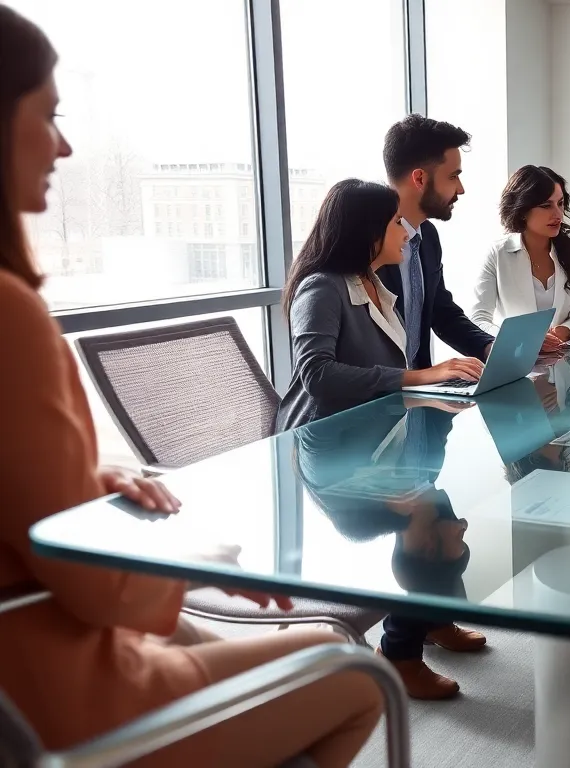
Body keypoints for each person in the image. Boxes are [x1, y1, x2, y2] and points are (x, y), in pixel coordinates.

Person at [0, 8, 381, 765]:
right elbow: (95, 588)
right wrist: (204, 562)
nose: (64, 146)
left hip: (36, 646)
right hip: (60, 693)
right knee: (356, 673)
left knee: (250, 643)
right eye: (49, 116)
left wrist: (87, 484)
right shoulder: (10, 315)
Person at [297, 397, 487, 700]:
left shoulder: (393, 498)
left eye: (459, 532)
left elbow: (429, 422)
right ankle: (398, 655)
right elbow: (311, 432)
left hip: (400, 458)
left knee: (441, 546)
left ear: (424, 544)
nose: (464, 524)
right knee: (442, 550)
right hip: (372, 451)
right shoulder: (360, 509)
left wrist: (449, 397)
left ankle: (432, 620)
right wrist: (411, 393)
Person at [274, 179, 474, 432]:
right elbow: (317, 374)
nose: (405, 233)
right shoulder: (322, 287)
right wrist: (421, 376)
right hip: (322, 439)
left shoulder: (374, 284)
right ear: (370, 230)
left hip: (374, 431)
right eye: (397, 222)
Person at [381, 114, 495, 375]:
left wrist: (490, 347)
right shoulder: (366, 241)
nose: (461, 189)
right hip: (376, 394)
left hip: (418, 391)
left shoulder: (428, 236)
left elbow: (441, 312)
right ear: (419, 179)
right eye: (453, 176)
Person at [471, 165, 570, 348]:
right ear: (523, 210)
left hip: (562, 356)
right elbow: (478, 318)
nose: (558, 214)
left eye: (560, 203)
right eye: (546, 206)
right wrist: (520, 338)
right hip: (513, 356)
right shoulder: (498, 253)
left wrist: (562, 332)